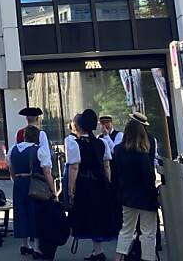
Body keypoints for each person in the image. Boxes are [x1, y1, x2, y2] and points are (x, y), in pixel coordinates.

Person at [67, 109, 119, 261]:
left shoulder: (75, 144)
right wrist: (107, 183)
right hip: (101, 183)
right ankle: (98, 250)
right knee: (99, 215)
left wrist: (71, 188)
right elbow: (107, 166)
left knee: (89, 216)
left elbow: (74, 167)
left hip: (84, 183)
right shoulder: (101, 143)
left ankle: (97, 251)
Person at [112, 119, 159, 261]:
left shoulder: (118, 150)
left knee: (126, 230)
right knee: (148, 233)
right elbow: (149, 179)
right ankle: (148, 258)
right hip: (145, 198)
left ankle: (118, 257)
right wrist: (155, 196)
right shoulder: (142, 154)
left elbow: (115, 174)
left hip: (127, 196)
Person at [7, 125, 56, 257]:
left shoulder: (13, 150)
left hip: (18, 183)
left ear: (24, 136)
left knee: (21, 212)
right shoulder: (39, 151)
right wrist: (53, 190)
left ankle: (24, 244)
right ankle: (37, 248)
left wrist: (16, 179)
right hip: (33, 184)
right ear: (37, 138)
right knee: (35, 214)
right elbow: (46, 172)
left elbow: (11, 168)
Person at [17, 107, 52, 175]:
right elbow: (45, 155)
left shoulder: (18, 133)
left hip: (22, 172)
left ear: (26, 119)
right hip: (37, 173)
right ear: (37, 119)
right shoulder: (41, 134)